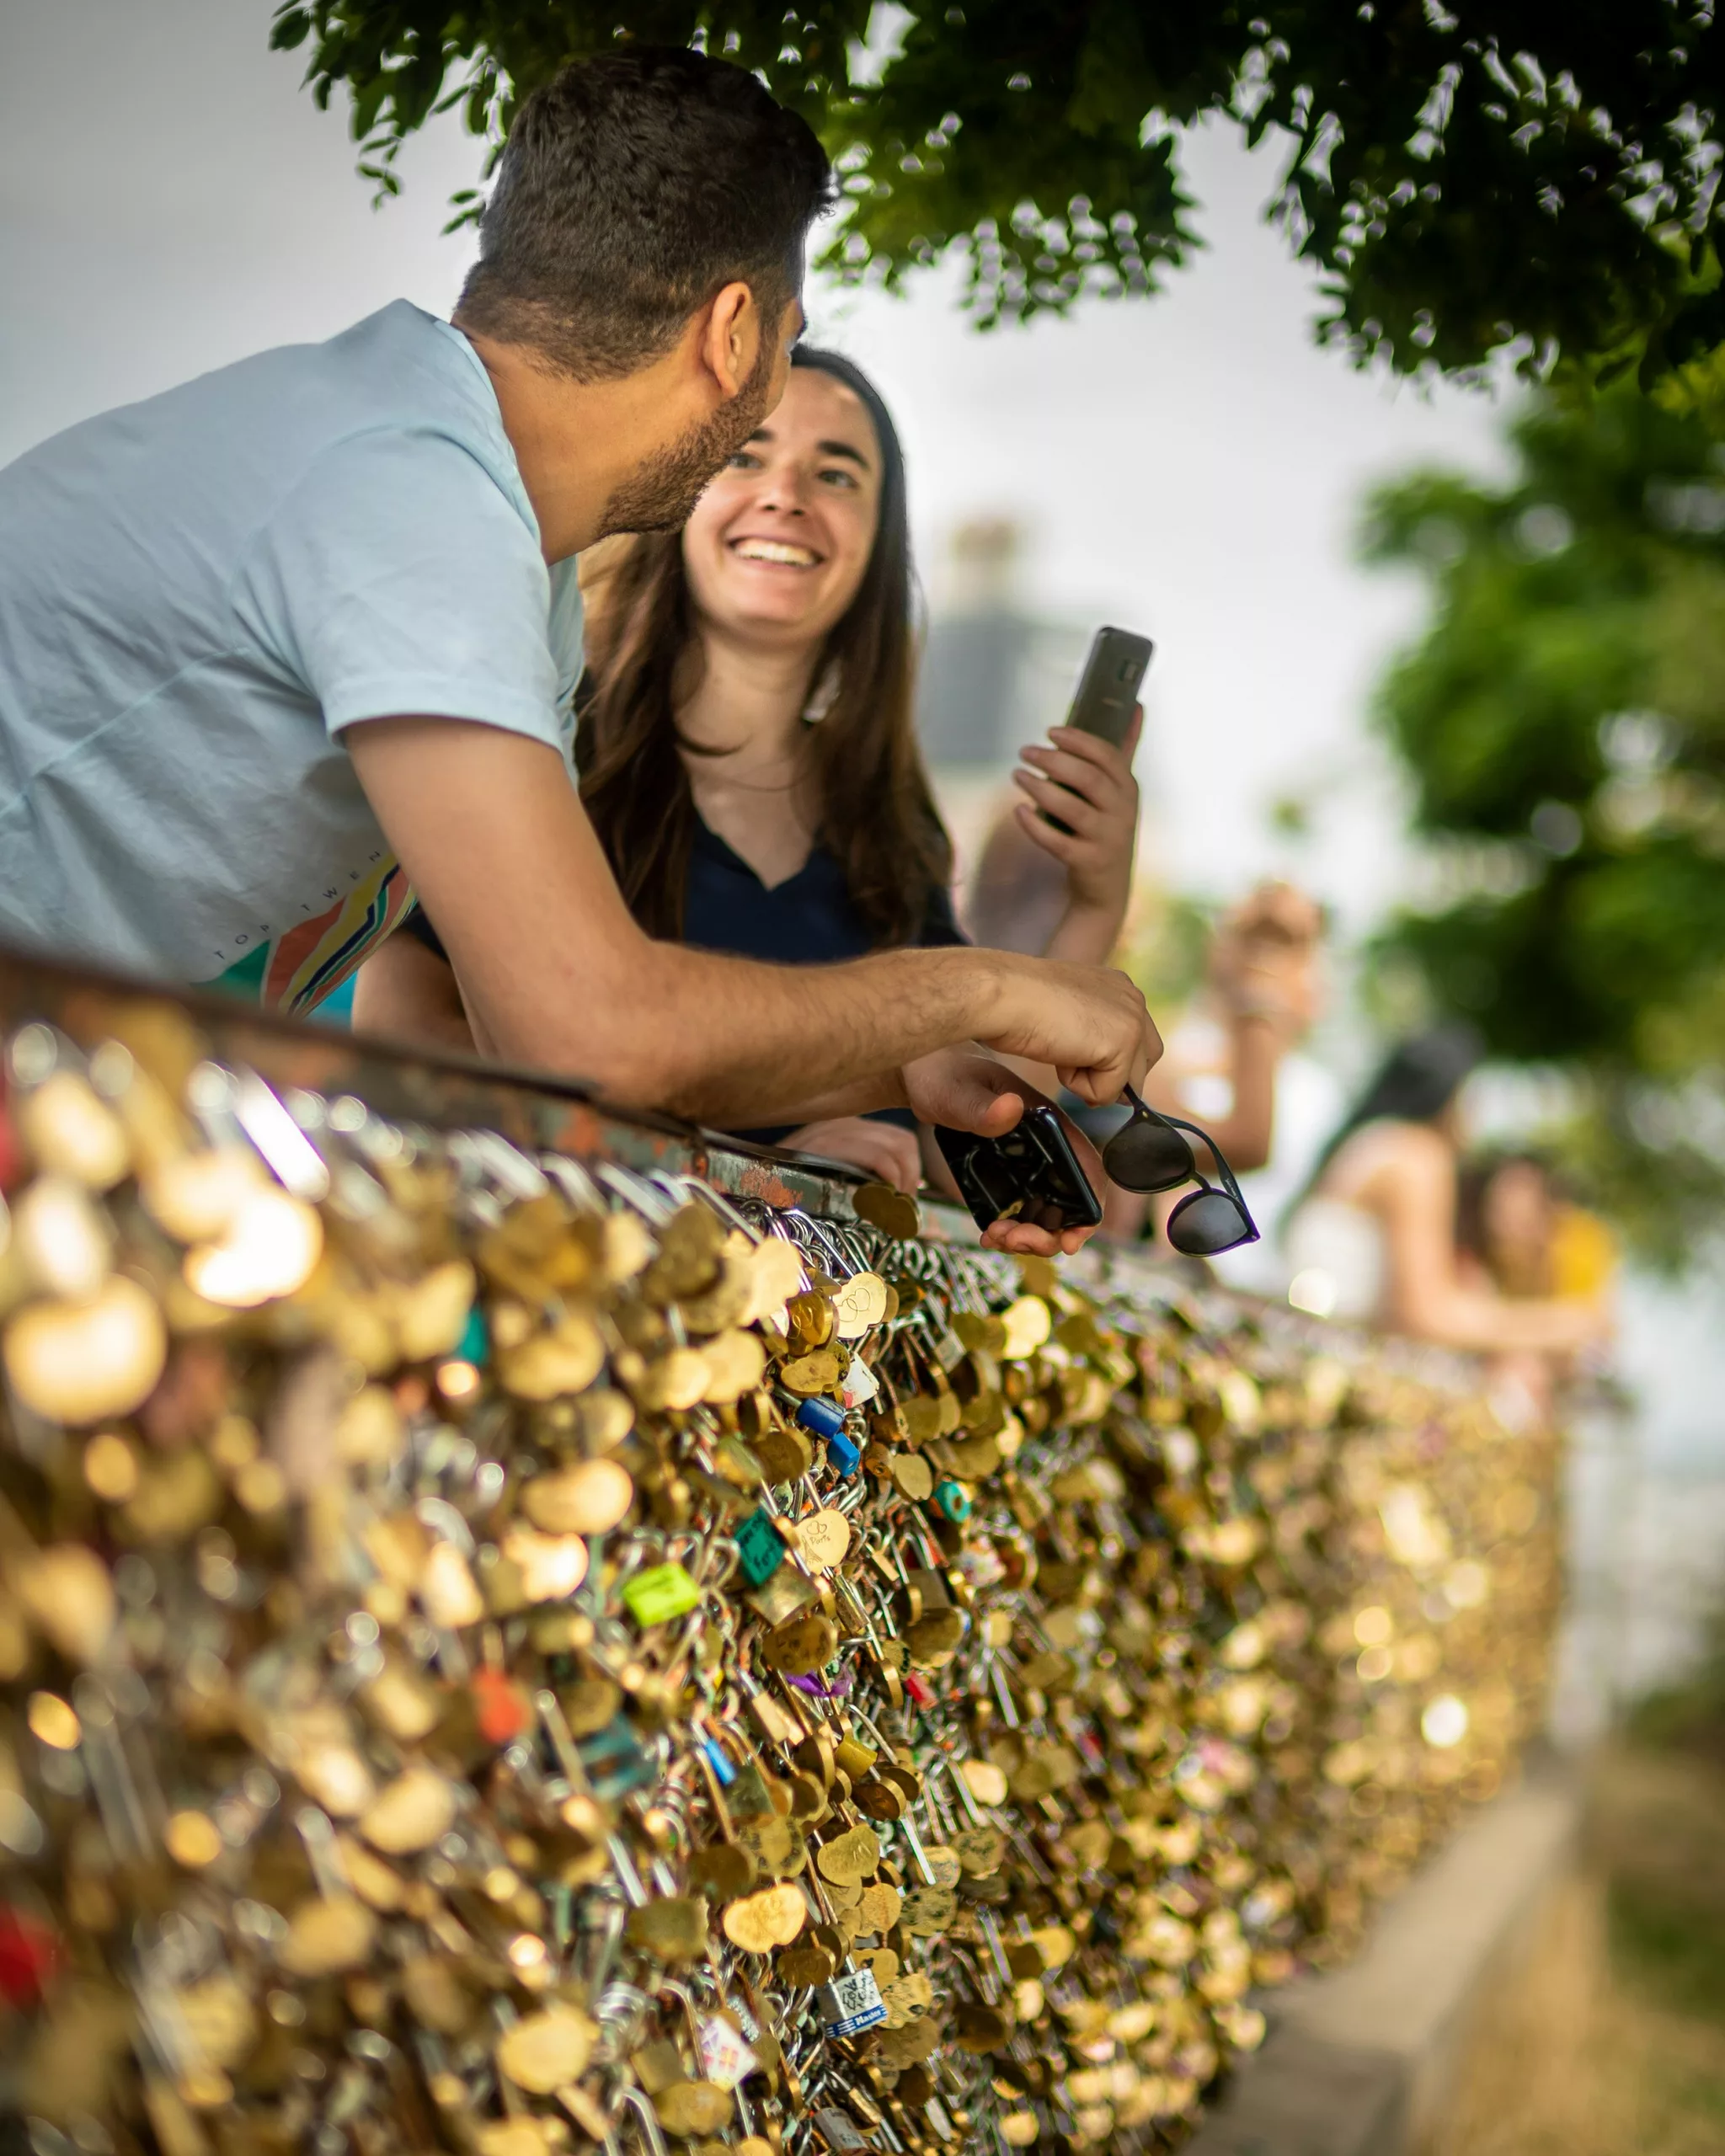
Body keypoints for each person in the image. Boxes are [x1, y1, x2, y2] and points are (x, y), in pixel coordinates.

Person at [0, 49, 1162, 1256]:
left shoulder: (487, 530)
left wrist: (891, 1059)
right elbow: (590, 1030)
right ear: (732, 332)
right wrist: (982, 987)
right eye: (785, 344)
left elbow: (530, 1051)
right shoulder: (413, 502)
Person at [359, 349, 1145, 1192]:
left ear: (878, 541)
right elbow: (403, 1044)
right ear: (680, 490)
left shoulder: (889, 816)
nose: (786, 496)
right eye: (744, 458)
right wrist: (754, 1165)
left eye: (835, 474)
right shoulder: (543, 730)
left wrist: (1092, 900)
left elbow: (979, 1127)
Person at [1284, 1027, 1605, 1352]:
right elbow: (1422, 1316)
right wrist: (1560, 1325)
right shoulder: (1417, 1157)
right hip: (1331, 1354)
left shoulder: (1372, 1141)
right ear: (1452, 1096)